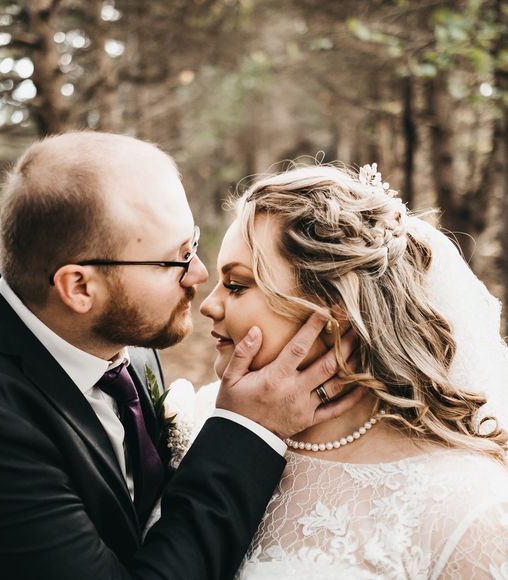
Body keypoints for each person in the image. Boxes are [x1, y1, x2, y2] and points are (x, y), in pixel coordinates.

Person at [0, 133, 363, 580]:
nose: (197, 273)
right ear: (79, 287)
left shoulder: (120, 337)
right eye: (172, 260)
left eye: (192, 245)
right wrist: (248, 430)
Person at [198, 163, 508, 578]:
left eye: (237, 285)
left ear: (335, 310)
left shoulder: (464, 508)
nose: (209, 305)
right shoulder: (204, 426)